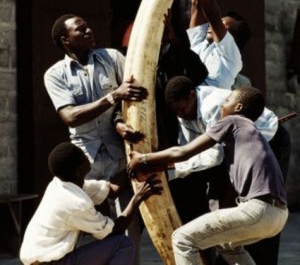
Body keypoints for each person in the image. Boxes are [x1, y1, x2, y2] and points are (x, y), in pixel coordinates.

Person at [127, 86, 288, 265]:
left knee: (182, 239)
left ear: (238, 108)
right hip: (278, 215)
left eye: (227, 101)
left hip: (258, 210)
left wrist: (144, 159)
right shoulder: (252, 133)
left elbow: (182, 152)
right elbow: (205, 157)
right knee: (227, 245)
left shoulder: (232, 121)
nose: (221, 106)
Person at [44, 14, 148, 263]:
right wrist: (112, 97)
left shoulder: (112, 58)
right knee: (82, 230)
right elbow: (70, 116)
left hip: (120, 156)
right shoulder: (55, 74)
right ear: (65, 40)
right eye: (81, 30)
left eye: (88, 26)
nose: (89, 30)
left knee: (129, 229)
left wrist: (120, 121)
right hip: (84, 165)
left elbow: (133, 97)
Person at [20, 142, 162, 265]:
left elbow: (111, 190)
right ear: (79, 169)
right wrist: (138, 198)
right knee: (123, 244)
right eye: (83, 156)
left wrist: (131, 167)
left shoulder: (61, 184)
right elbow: (113, 231)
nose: (88, 157)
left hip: (40, 261)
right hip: (52, 263)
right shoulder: (76, 203)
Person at [188, 0, 251, 90]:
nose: (212, 25)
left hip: (210, 109)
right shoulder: (200, 43)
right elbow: (197, 7)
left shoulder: (231, 57)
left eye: (222, 25)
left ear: (233, 38)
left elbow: (213, 16)